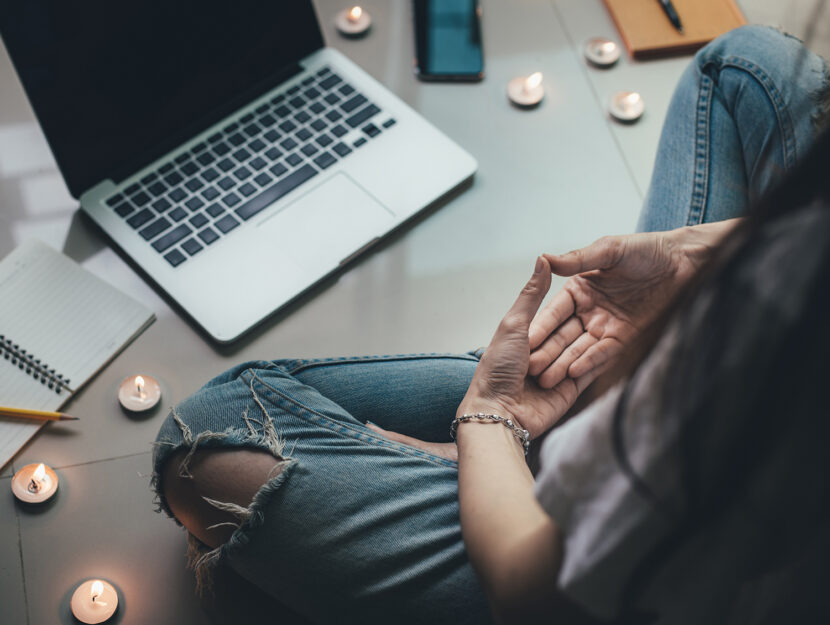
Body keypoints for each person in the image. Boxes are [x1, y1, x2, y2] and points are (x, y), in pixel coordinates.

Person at [152, 26, 830, 624]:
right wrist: (690, 258)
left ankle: (521, 456)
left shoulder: (743, 415)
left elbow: (529, 594)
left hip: (614, 575)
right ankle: (535, 442)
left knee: (211, 433)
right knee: (748, 68)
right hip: (722, 395)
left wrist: (489, 416)